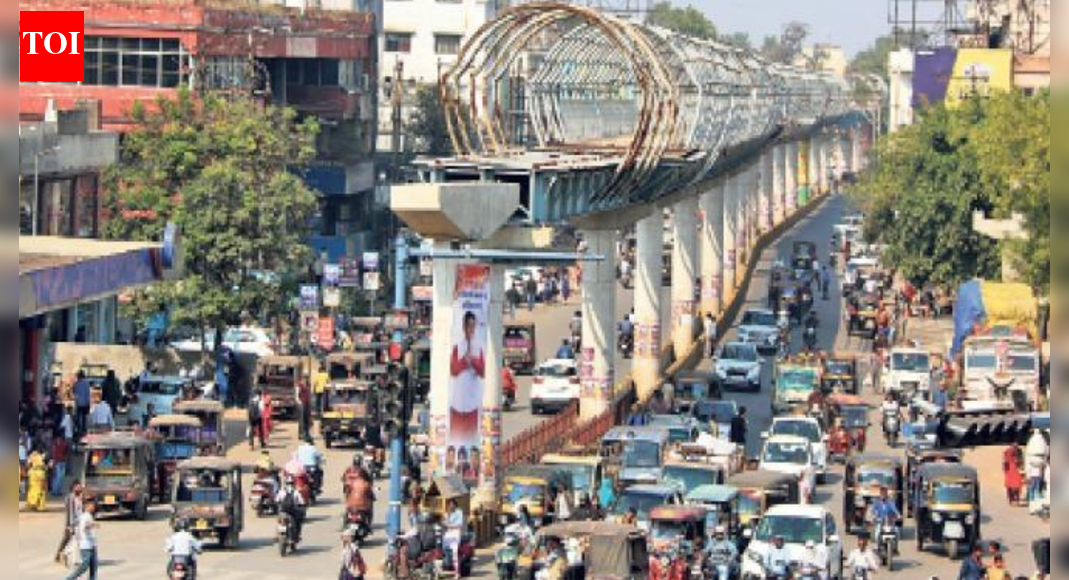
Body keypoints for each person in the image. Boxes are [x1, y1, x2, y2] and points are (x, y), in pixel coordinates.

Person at [450, 311, 486, 441]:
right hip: (457, 404)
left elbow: (483, 371)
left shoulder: (479, 347)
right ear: (464, 327)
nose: (471, 329)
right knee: (456, 438)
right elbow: (453, 370)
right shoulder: (457, 347)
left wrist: (474, 362)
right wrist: (465, 361)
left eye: (473, 326)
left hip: (472, 404)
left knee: (471, 441)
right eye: (468, 326)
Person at [63, 500, 99, 580]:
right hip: (86, 544)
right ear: (86, 507)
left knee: (93, 565)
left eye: (93, 506)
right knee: (85, 565)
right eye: (91, 506)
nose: (93, 507)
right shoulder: (84, 516)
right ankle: (70, 578)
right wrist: (93, 524)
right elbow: (84, 527)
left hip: (92, 543)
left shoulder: (89, 515)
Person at [55, 482, 84, 563]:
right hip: (72, 523)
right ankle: (61, 555)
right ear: (73, 488)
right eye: (78, 487)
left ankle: (63, 556)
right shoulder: (70, 498)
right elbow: (70, 512)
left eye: (80, 487)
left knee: (73, 541)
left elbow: (80, 510)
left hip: (78, 522)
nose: (80, 488)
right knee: (68, 539)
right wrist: (70, 525)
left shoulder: (79, 497)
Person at [276, 475, 307, 543]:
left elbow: (277, 500)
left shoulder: (282, 491)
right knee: (298, 522)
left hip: (283, 511)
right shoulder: (296, 492)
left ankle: (277, 534)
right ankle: (296, 537)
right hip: (293, 512)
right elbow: (301, 502)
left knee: (279, 521)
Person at [444, 498, 465, 579]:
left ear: (455, 505)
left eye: (452, 504)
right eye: (449, 505)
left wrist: (450, 525)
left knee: (455, 552)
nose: (450, 506)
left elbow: (460, 524)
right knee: (443, 549)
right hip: (448, 533)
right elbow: (445, 523)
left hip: (456, 533)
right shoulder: (447, 513)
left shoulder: (459, 512)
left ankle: (457, 572)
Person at [24, 447, 48, 511]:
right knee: (41, 490)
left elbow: (27, 465)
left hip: (32, 474)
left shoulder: (31, 456)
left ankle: (32, 504)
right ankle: (40, 506)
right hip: (40, 474)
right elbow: (47, 465)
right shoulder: (43, 456)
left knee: (32, 489)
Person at [50, 433, 71, 497]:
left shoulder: (58, 444)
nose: (58, 440)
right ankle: (55, 491)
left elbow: (67, 452)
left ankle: (56, 491)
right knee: (58, 477)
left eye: (59, 439)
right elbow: (67, 452)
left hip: (60, 462)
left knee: (59, 477)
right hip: (58, 463)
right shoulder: (58, 444)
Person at [72, 372, 91, 438]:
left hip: (78, 403)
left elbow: (73, 391)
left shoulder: (76, 384)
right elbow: (88, 394)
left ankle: (78, 429)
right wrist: (88, 402)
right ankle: (84, 430)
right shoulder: (87, 383)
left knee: (78, 416)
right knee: (84, 417)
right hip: (85, 402)